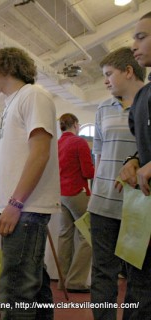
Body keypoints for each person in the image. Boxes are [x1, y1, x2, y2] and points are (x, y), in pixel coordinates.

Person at [0, 47, 61, 320]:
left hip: (26, 207)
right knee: (33, 287)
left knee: (15, 292)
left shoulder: (33, 95)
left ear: (4, 66)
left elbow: (40, 152)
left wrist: (15, 204)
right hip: (21, 207)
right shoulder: (12, 103)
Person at [86, 47, 145, 320]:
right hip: (102, 205)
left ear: (128, 71)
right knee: (102, 273)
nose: (106, 80)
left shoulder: (147, 103)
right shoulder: (102, 108)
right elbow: (99, 156)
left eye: (109, 74)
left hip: (139, 206)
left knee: (138, 275)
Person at [117, 12, 151, 319]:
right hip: (145, 216)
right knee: (139, 292)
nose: (135, 44)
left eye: (142, 36)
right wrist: (134, 161)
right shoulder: (143, 98)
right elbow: (144, 148)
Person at [57, 113, 94, 293]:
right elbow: (88, 172)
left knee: (65, 235)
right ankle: (76, 281)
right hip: (77, 192)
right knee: (88, 234)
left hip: (61, 195)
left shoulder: (57, 144)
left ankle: (63, 279)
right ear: (76, 125)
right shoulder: (79, 143)